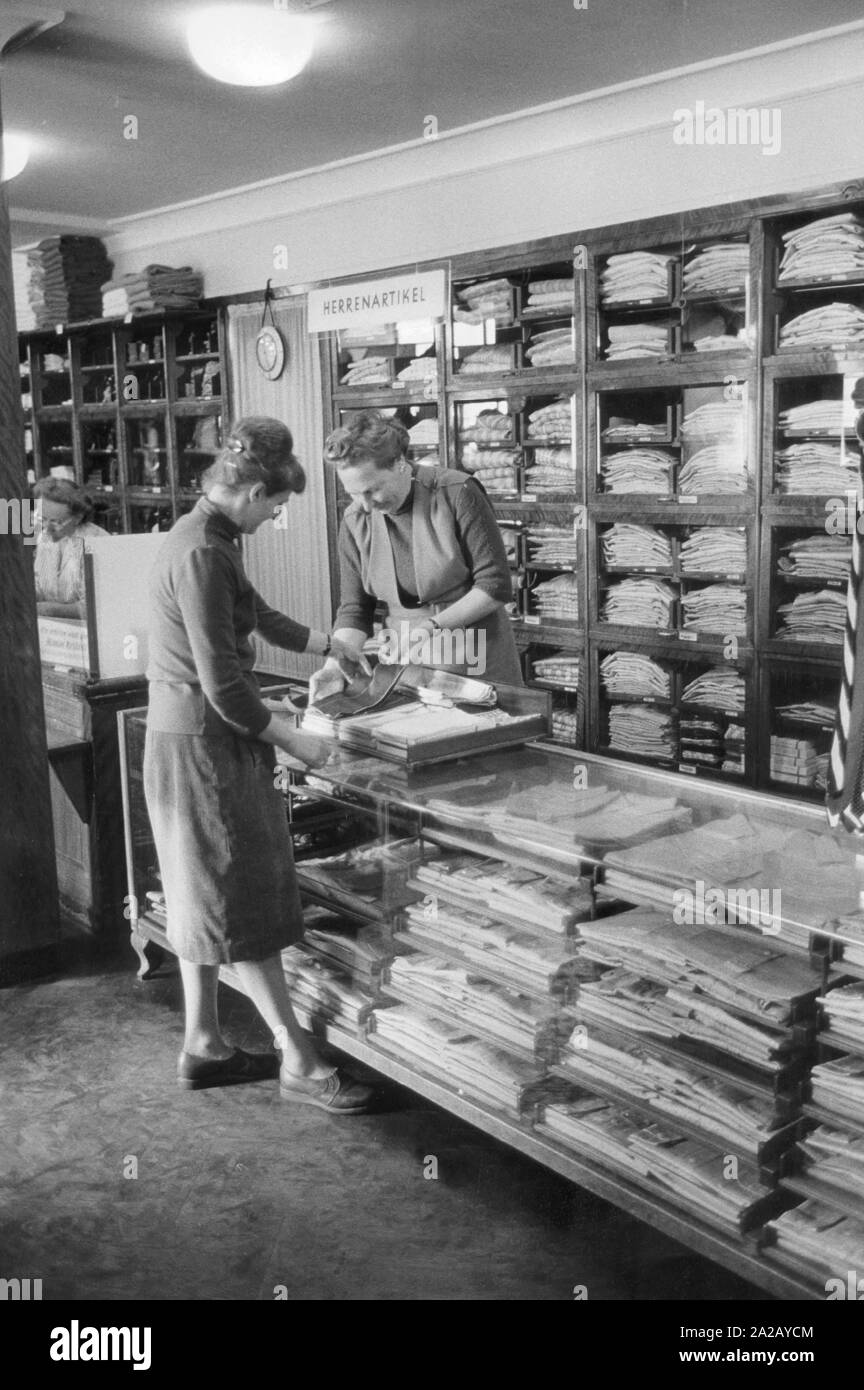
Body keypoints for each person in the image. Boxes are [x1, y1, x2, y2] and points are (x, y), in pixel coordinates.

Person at [143, 416, 374, 1113]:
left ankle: (204, 1042)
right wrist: (295, 741)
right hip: (207, 745)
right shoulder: (204, 555)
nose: (277, 516)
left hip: (184, 740)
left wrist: (326, 643)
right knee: (239, 901)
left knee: (203, 894)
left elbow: (254, 614)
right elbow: (224, 685)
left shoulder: (204, 533)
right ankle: (298, 1060)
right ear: (243, 491)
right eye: (275, 505)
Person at [309, 410, 523, 704]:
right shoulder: (355, 520)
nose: (366, 506)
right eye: (354, 494)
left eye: (372, 490)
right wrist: (336, 662)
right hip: (407, 663)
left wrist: (430, 627)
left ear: (400, 464)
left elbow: (494, 586)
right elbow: (355, 609)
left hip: (477, 657)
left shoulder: (457, 493)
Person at [32, 476, 110, 618]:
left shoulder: (99, 543)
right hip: (54, 632)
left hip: (88, 634)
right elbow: (39, 585)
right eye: (42, 520)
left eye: (56, 522)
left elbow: (99, 607)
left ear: (78, 517)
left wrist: (48, 610)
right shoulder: (45, 538)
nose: (47, 529)